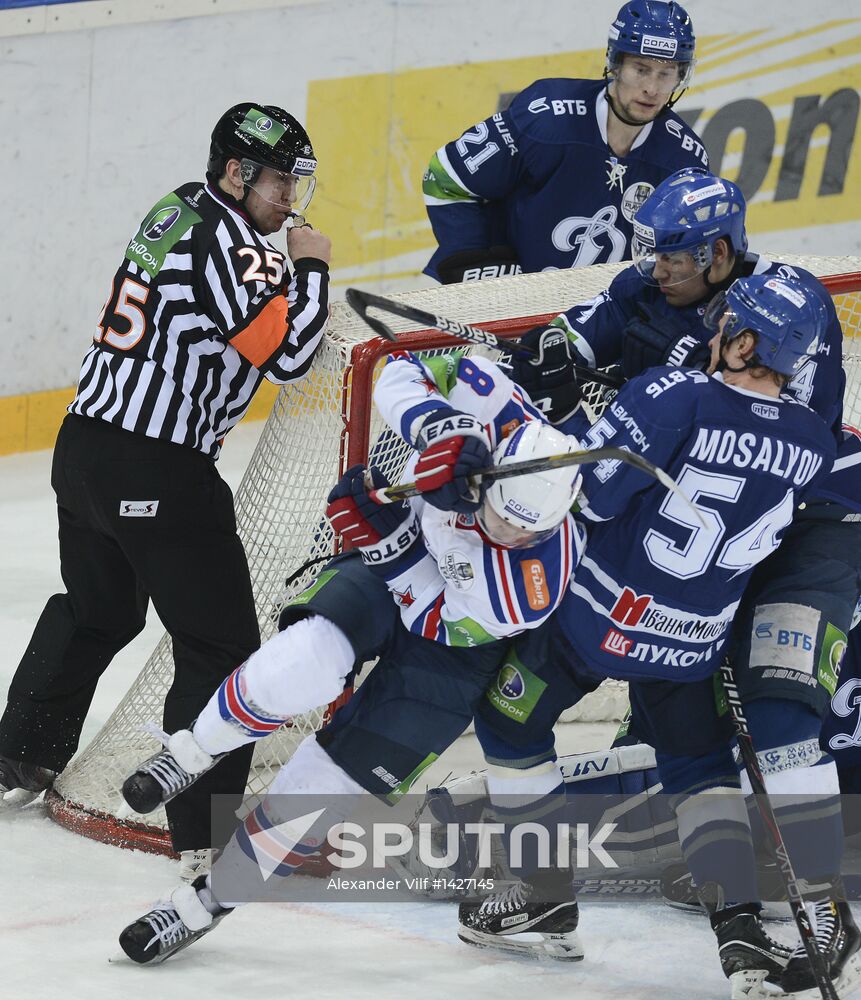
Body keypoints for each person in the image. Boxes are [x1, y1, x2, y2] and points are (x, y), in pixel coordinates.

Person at [112, 349, 586, 964]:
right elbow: (406, 370)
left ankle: (206, 903)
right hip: (398, 569)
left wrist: (385, 540)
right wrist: (438, 427)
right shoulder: (498, 408)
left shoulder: (532, 581)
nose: (512, 536)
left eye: (530, 533)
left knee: (323, 790)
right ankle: (190, 752)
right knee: (302, 658)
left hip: (450, 650)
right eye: (503, 517)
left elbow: (437, 621)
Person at [507, 171, 861, 994]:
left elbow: (784, 444)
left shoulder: (789, 318)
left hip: (807, 528)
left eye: (672, 255)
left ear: (721, 254)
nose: (653, 267)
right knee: (678, 693)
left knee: (774, 708)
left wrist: (641, 416)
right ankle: (707, 851)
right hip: (711, 515)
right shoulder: (646, 283)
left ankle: (821, 906)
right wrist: (545, 363)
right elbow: (566, 346)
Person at [0, 103, 332, 871]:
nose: (290, 198)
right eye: (279, 180)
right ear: (234, 173)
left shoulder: (176, 204)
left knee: (99, 609)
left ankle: (22, 752)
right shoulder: (234, 241)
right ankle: (201, 833)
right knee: (220, 648)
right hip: (157, 467)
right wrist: (311, 267)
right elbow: (285, 356)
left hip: (82, 451)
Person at [423, 1, 706, 282]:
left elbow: (687, 262)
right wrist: (476, 262)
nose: (652, 88)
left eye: (666, 74)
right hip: (497, 304)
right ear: (615, 64)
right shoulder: (546, 117)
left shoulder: (683, 162)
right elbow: (443, 179)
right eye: (641, 69)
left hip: (592, 322)